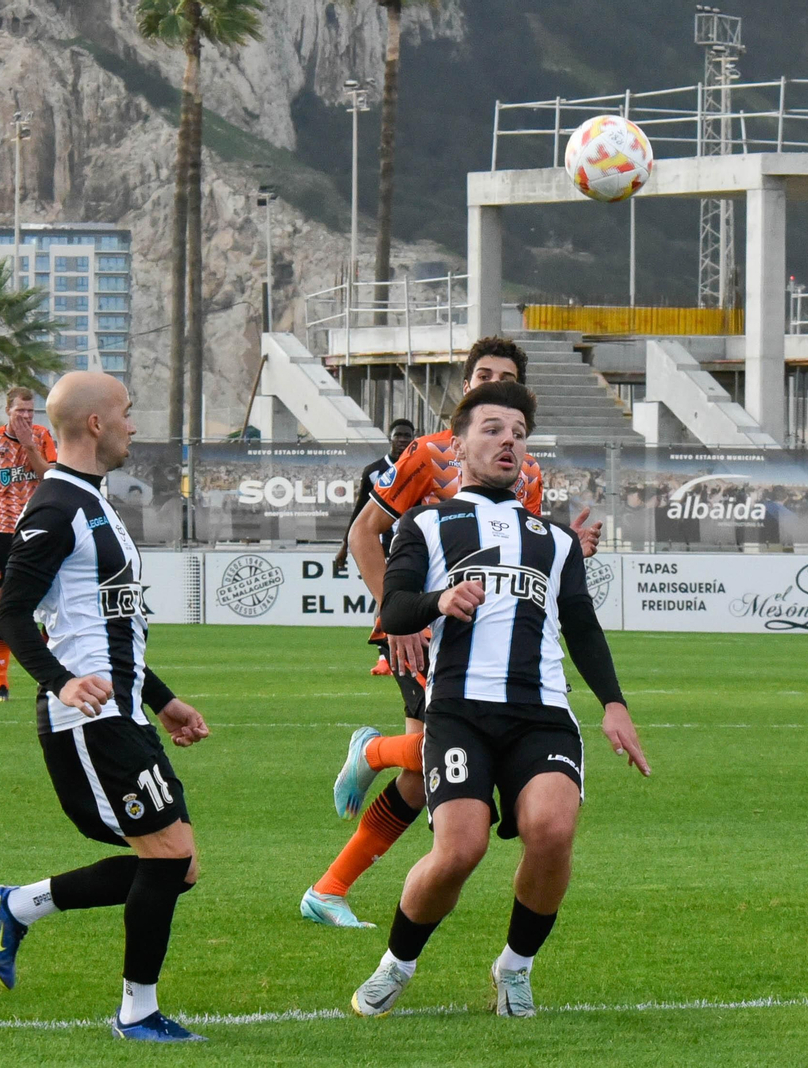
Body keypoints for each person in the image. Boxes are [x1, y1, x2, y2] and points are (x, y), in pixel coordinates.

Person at [347, 380, 649, 1019]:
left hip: (543, 714)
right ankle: (398, 962)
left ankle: (515, 967)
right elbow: (395, 609)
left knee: (553, 831)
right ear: (457, 446)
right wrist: (439, 601)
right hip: (459, 711)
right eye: (492, 429)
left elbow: (582, 624)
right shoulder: (426, 524)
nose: (508, 440)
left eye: (518, 432)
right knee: (460, 850)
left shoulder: (554, 540)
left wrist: (614, 704)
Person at [301, 337, 602, 929]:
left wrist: (571, 549)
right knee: (436, 757)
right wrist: (398, 620)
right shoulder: (427, 453)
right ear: (465, 388)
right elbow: (364, 534)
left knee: (423, 777)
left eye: (505, 378)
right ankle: (369, 760)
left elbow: (518, 549)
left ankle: (330, 886)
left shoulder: (526, 469)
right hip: (420, 627)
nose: (492, 384)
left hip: (481, 640)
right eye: (482, 375)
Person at [0, 371, 212, 1042]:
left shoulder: (94, 501)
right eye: (127, 412)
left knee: (180, 866)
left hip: (124, 711)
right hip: (89, 721)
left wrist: (162, 700)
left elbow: (111, 629)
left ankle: (17, 906)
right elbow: (11, 614)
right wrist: (61, 683)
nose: (134, 425)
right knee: (167, 858)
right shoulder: (55, 508)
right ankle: (137, 1012)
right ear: (97, 424)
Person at [0, 386, 57, 702]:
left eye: (31, 411)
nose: (27, 416)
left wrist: (29, 445)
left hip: (35, 527)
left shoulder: (42, 436)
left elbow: (50, 477)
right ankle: (1, 684)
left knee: (49, 604)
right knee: (0, 605)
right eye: (21, 410)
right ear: (8, 410)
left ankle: (49, 678)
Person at [333, 418, 416, 676]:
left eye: (407, 435)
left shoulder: (420, 466)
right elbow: (360, 511)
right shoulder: (374, 471)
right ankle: (383, 655)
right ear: (390, 438)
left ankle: (411, 652)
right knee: (384, 596)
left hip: (414, 544)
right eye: (398, 435)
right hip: (384, 545)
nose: (402, 440)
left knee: (414, 597)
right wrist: (345, 546)